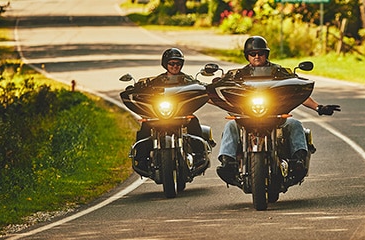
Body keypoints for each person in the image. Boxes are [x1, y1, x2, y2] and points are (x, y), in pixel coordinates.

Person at [215, 36, 341, 186]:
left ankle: (298, 160)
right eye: (253, 53)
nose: (257, 56)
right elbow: (220, 91)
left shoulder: (279, 72)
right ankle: (227, 163)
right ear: (247, 55)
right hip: (247, 117)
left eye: (260, 53)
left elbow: (295, 91)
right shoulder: (238, 75)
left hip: (275, 116)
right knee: (230, 125)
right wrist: (216, 85)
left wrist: (319, 107)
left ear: (266, 54)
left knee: (295, 124)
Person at [132, 48, 209, 177]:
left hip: (180, 112)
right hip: (161, 113)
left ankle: (199, 154)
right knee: (146, 124)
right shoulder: (157, 80)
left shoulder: (187, 79)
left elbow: (198, 86)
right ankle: (141, 158)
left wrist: (204, 87)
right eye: (171, 63)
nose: (175, 66)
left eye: (178, 64)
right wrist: (135, 88)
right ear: (165, 64)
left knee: (193, 120)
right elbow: (145, 89)